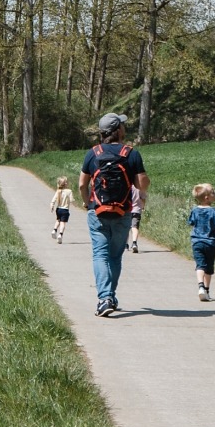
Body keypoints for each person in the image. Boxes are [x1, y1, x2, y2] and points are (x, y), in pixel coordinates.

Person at [79, 112, 149, 317]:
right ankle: (110, 295)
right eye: (123, 126)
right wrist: (143, 191)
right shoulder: (131, 154)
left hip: (97, 211)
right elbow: (141, 183)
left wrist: (86, 202)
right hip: (123, 211)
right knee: (115, 256)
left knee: (100, 254)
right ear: (118, 130)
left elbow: (82, 184)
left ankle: (104, 298)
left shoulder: (93, 153)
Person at [187, 183, 215, 301]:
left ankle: (201, 287)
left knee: (200, 265)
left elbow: (191, 223)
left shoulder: (194, 211)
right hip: (211, 243)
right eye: (213, 192)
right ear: (207, 197)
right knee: (209, 266)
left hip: (197, 242)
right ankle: (206, 289)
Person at [50, 176, 73, 244]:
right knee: (63, 223)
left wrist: (52, 206)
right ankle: (60, 234)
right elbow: (71, 200)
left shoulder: (58, 191)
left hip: (58, 209)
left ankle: (54, 230)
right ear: (66, 184)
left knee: (58, 220)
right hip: (65, 210)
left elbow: (53, 200)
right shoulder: (69, 191)